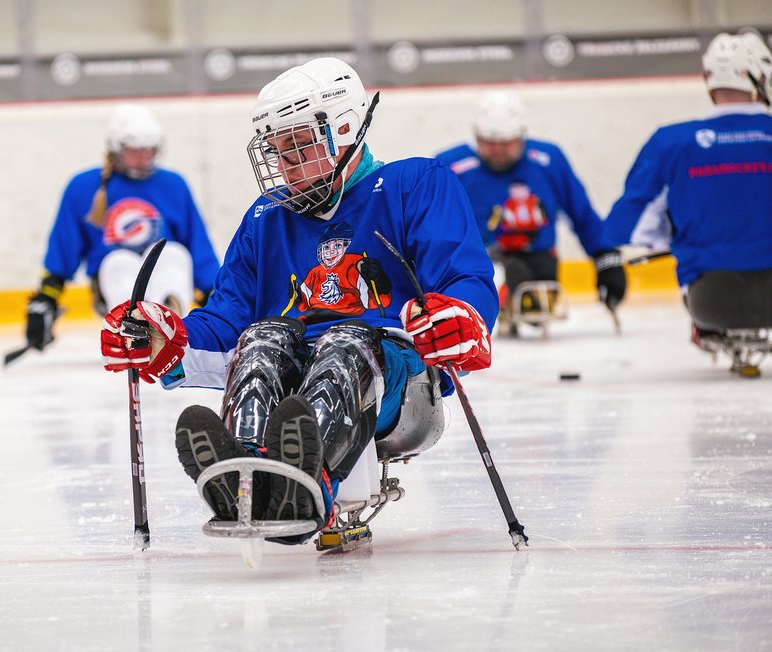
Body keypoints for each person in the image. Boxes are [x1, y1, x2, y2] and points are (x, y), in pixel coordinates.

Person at [100, 57, 499, 545]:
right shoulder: (265, 218)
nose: (284, 165)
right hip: (299, 380)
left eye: (299, 146)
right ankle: (248, 476)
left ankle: (309, 484)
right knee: (262, 338)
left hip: (399, 383)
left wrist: (463, 317)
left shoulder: (414, 184)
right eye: (277, 149)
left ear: (346, 128)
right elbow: (227, 323)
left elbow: (464, 276)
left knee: (347, 341)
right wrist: (169, 341)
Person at [603, 31, 772, 362]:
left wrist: (675, 235)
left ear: (708, 80)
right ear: (759, 76)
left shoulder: (671, 142)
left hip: (713, 301)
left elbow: (626, 225)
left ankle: (705, 330)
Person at [25, 103, 221, 353]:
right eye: (135, 151)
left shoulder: (174, 184)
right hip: (112, 281)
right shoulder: (84, 187)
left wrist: (214, 296)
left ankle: (169, 325)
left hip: (163, 273)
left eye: (149, 150)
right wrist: (46, 298)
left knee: (174, 253)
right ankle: (135, 328)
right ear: (116, 149)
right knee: (118, 261)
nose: (144, 157)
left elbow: (198, 246)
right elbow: (64, 247)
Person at [435, 91, 626, 324]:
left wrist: (605, 256)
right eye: (489, 143)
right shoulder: (451, 166)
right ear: (476, 136)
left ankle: (508, 297)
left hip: (538, 259)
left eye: (506, 143)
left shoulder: (548, 160)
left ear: (521, 135)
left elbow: (581, 214)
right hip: (476, 259)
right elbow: (430, 226)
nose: (497, 150)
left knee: (538, 306)